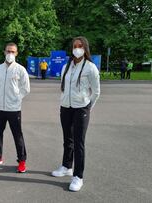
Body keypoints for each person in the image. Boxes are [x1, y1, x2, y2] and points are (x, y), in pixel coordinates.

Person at [51, 36, 100, 192]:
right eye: (74, 46)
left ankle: (78, 177)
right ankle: (66, 166)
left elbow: (96, 91)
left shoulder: (90, 67)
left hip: (81, 108)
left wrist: (87, 107)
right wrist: (64, 101)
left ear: (85, 48)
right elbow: (63, 86)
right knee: (68, 139)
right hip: (66, 107)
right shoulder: (67, 66)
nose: (77, 48)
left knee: (79, 143)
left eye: (80, 46)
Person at [0, 42, 30, 173]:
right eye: (8, 51)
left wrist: (16, 98)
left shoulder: (21, 70)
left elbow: (26, 88)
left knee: (17, 135)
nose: (10, 54)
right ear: (4, 52)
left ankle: (22, 160)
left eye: (12, 52)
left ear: (16, 53)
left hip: (13, 109)